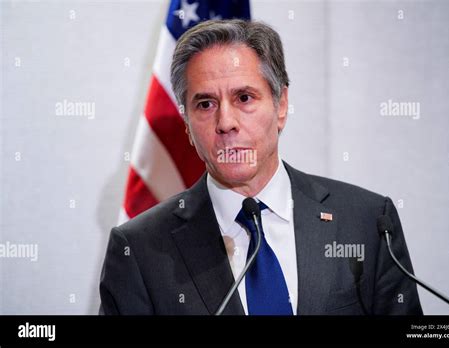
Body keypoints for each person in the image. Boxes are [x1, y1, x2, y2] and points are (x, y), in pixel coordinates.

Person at [99, 19, 422, 315]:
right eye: (205, 104)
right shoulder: (139, 250)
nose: (225, 123)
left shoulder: (366, 221)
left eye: (244, 98)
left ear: (280, 105)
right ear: (186, 124)